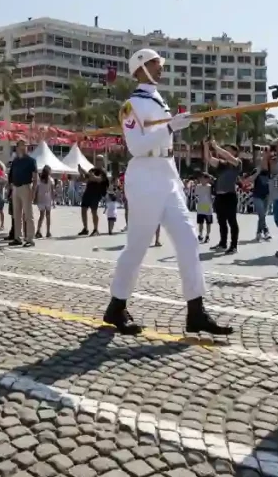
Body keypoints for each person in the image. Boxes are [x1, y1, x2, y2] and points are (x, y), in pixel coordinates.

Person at [105, 48, 232, 337]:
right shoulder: (130, 105)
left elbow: (162, 136)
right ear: (139, 68)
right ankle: (116, 306)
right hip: (145, 174)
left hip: (167, 173)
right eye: (154, 64)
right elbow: (137, 146)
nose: (160, 68)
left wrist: (174, 126)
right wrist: (170, 126)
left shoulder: (158, 101)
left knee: (188, 241)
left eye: (159, 64)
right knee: (137, 246)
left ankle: (196, 311)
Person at [8, 139, 37, 246]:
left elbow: (35, 177)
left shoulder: (31, 160)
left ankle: (30, 238)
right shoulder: (15, 161)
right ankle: (17, 237)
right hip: (16, 188)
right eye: (20, 145)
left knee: (28, 214)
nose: (22, 147)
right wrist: (11, 187)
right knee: (16, 214)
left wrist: (33, 190)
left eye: (24, 145)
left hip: (26, 187)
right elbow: (11, 175)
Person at [78, 156, 109, 236]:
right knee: (83, 209)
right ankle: (85, 228)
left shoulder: (103, 172)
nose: (98, 161)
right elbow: (84, 179)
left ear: (102, 161)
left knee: (94, 211)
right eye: (97, 159)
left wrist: (86, 173)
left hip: (96, 193)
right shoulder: (91, 170)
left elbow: (98, 179)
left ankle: (95, 229)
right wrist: (81, 173)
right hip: (88, 192)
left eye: (100, 160)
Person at [34, 165, 55, 239]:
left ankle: (38, 231)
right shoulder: (51, 180)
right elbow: (52, 191)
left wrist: (35, 199)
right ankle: (48, 232)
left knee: (41, 216)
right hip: (47, 199)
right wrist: (54, 201)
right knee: (48, 216)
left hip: (40, 199)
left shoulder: (40, 180)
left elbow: (36, 190)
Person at [194, 173, 213, 243]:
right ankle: (200, 235)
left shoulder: (210, 187)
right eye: (200, 178)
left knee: (208, 223)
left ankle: (207, 235)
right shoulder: (198, 186)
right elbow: (196, 195)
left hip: (208, 206)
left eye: (203, 178)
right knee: (200, 222)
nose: (201, 180)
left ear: (207, 179)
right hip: (201, 206)